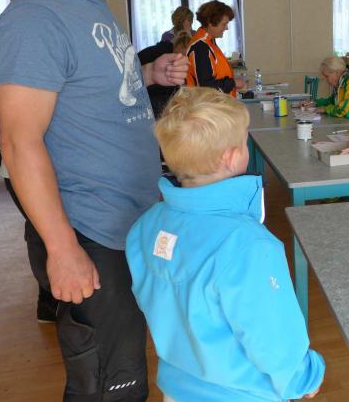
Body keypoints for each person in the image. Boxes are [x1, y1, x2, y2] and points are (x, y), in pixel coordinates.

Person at [0, 0, 186, 400]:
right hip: (88, 235)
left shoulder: (93, 5)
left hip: (123, 227)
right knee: (108, 386)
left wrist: (147, 74)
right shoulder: (37, 18)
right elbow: (20, 141)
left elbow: (87, 90)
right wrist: (62, 248)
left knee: (125, 372)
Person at [126, 87, 325, 401]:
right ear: (232, 158)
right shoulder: (249, 246)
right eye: (245, 140)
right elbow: (272, 334)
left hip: (177, 389)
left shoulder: (146, 226)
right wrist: (304, 377)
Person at [0, 62, 59, 322]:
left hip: (68, 166)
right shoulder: (2, 58)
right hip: (24, 168)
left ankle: (57, 299)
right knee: (42, 231)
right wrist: (31, 146)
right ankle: (50, 299)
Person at [185, 0, 246, 97]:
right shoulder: (200, 47)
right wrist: (233, 83)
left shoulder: (209, 43)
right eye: (224, 24)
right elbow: (205, 88)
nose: (227, 28)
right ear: (210, 23)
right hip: (207, 105)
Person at [139, 30, 191, 118]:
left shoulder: (168, 53)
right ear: (180, 46)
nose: (184, 58)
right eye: (185, 54)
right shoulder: (159, 53)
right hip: (144, 96)